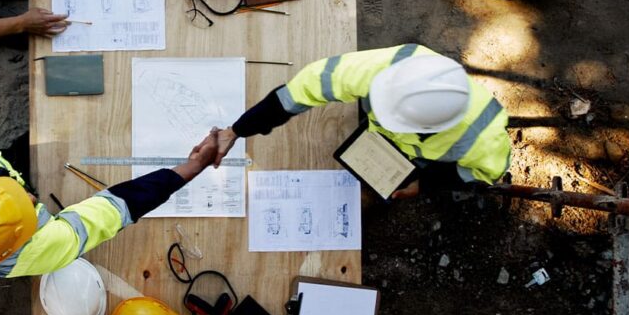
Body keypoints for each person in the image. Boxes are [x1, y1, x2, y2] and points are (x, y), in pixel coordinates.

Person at [0, 121, 220, 277]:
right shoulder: (22, 258)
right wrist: (192, 168)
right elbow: (119, 205)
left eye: (18, 192)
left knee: (21, 150)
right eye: (30, 205)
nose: (32, 196)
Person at [215, 43, 511, 197]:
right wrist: (237, 130)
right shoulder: (387, 68)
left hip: (421, 161)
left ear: (429, 128)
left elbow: (484, 173)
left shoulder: (483, 138)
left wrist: (425, 184)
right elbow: (297, 93)